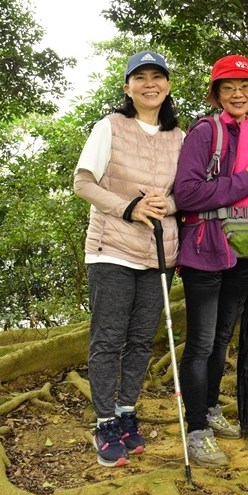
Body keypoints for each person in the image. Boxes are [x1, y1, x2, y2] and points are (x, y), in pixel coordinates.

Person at [173, 55, 248, 467]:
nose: (238, 93)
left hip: (246, 250)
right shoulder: (205, 133)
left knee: (222, 338)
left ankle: (210, 408)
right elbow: (185, 194)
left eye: (245, 86)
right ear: (216, 93)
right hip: (205, 247)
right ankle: (197, 427)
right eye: (228, 87)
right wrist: (241, 183)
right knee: (201, 342)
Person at [73, 50, 182, 467]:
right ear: (127, 87)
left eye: (157, 77)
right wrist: (128, 207)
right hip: (111, 249)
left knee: (140, 340)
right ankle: (103, 422)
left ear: (168, 85)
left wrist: (166, 205)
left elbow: (184, 193)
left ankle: (125, 412)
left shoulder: (180, 136)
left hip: (159, 253)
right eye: (140, 78)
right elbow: (83, 182)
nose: (149, 84)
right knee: (108, 339)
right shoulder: (110, 127)